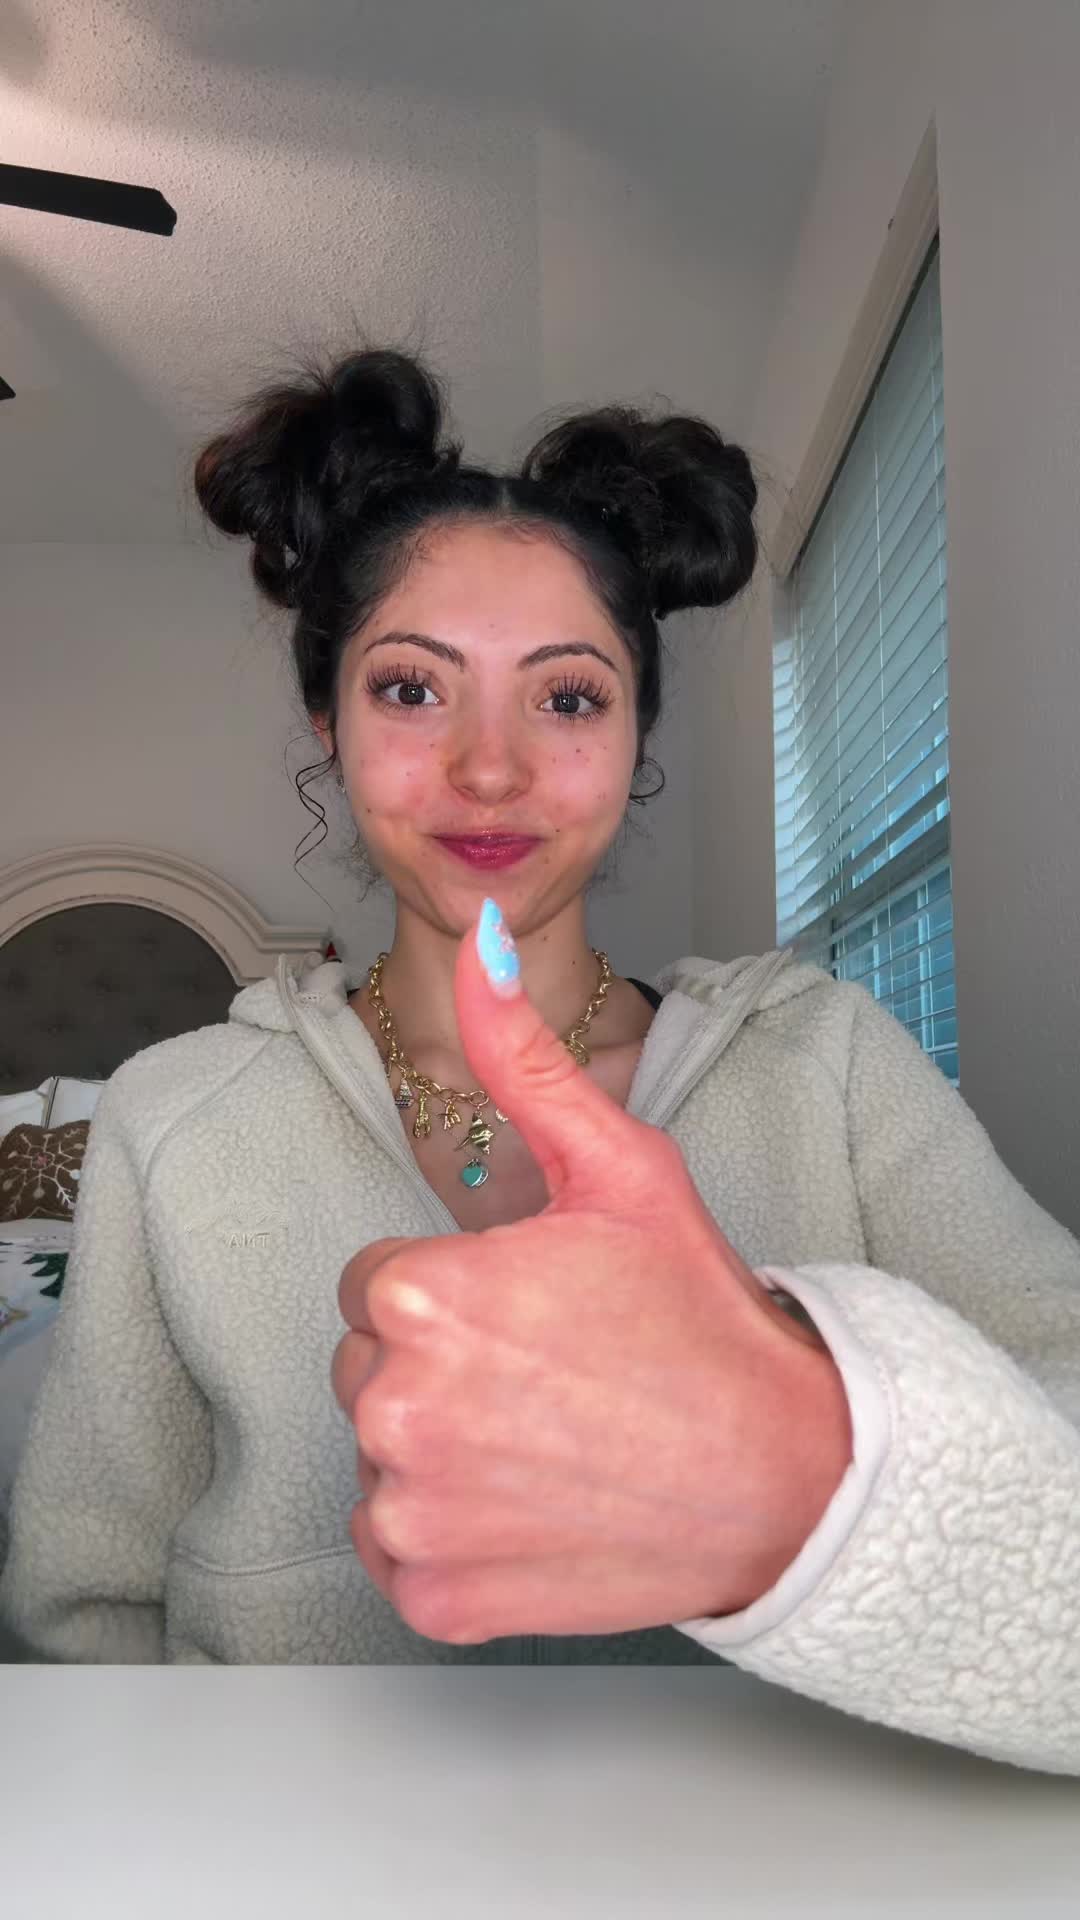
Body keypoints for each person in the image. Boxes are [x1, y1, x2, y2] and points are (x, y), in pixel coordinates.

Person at [2, 348, 1078, 1776]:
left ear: (636, 736)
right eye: (411, 688)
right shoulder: (171, 1115)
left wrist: (810, 1473)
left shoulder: (827, 1069)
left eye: (567, 699)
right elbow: (81, 1616)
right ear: (328, 722)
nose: (491, 768)